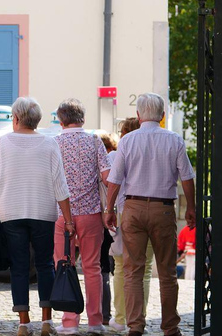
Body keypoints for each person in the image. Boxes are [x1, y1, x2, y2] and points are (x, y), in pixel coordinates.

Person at [104, 93, 196, 336]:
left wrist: (110, 209)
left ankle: (135, 326)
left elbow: (115, 179)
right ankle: (170, 328)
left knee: (133, 270)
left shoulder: (127, 140)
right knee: (166, 272)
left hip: (133, 208)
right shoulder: (174, 140)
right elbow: (187, 177)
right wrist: (192, 209)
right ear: (163, 116)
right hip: (163, 209)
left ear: (138, 115)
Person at [0, 97, 74, 336]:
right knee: (45, 265)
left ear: (16, 118)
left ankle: (23, 322)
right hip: (43, 212)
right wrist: (69, 219)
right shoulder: (49, 143)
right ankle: (46, 321)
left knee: (19, 266)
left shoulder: (3, 142)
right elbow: (60, 185)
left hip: (11, 213)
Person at [52, 98, 111, 335]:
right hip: (90, 214)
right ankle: (95, 322)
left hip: (61, 214)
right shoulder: (94, 141)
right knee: (92, 268)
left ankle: (69, 321)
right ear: (83, 119)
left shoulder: (54, 143)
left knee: (64, 265)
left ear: (60, 120)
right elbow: (108, 177)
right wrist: (111, 207)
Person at [106, 117, 154, 332]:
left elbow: (110, 184)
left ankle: (120, 317)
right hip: (151, 209)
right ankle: (138, 317)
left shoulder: (115, 155)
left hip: (123, 211)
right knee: (144, 270)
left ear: (124, 133)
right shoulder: (152, 153)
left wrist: (109, 210)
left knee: (121, 267)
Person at [97, 131, 117, 325]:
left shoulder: (101, 167)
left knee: (103, 268)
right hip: (114, 221)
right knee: (112, 268)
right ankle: (109, 315)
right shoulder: (115, 163)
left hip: (103, 221)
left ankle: (104, 315)